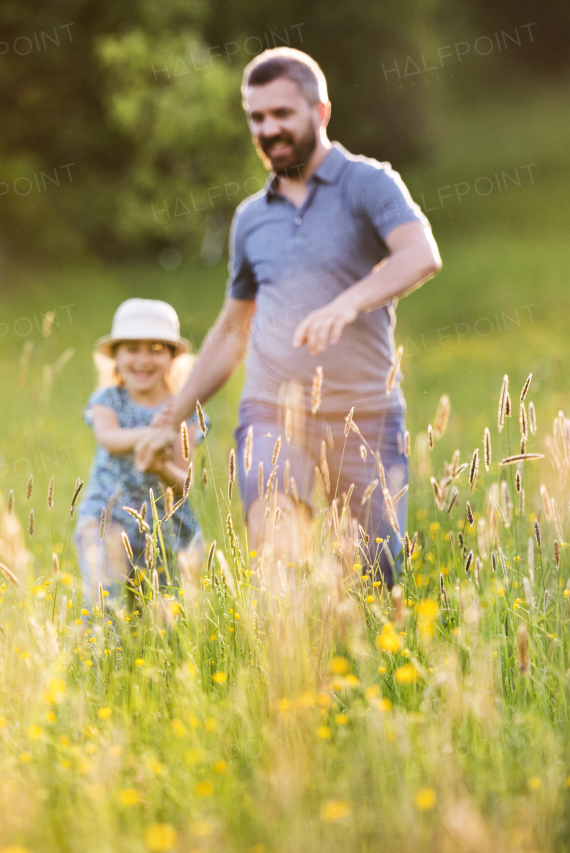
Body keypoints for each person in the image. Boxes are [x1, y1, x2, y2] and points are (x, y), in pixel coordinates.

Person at [135, 47, 441, 588]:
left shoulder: (369, 184)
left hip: (365, 414)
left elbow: (421, 255)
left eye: (282, 114)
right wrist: (174, 414)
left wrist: (347, 302)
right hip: (272, 408)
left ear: (320, 112)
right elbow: (233, 328)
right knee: (279, 566)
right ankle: (289, 662)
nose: (268, 128)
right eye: (257, 117)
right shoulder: (251, 219)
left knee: (372, 583)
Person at [75, 298, 204, 614]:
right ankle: (104, 656)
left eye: (157, 348)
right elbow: (109, 438)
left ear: (173, 357)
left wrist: (160, 467)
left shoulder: (182, 411)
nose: (144, 359)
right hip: (109, 513)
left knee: (162, 616)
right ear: (115, 357)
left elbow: (183, 482)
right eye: (132, 348)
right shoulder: (107, 400)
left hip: (165, 523)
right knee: (106, 597)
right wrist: (155, 435)